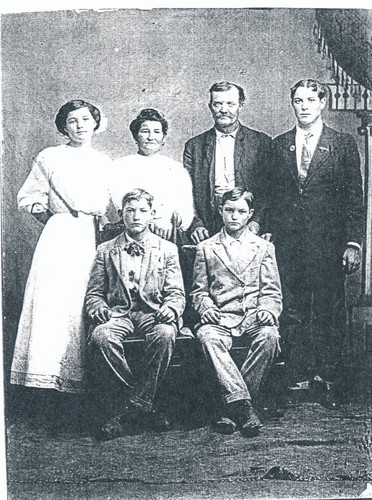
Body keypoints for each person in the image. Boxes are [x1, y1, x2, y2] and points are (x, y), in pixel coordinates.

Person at [268, 79, 364, 407]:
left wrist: (353, 243)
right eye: (298, 100)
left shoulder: (343, 143)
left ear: (323, 102)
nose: (304, 106)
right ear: (292, 104)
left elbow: (355, 197)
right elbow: (273, 196)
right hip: (289, 245)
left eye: (311, 99)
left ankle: (328, 380)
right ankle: (296, 378)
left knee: (328, 311)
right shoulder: (280, 145)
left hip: (329, 245)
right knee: (292, 312)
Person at [10, 99, 111, 397]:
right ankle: (50, 383)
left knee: (87, 299)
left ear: (95, 123)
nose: (80, 126)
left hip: (94, 234)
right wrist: (58, 221)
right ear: (63, 127)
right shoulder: (50, 157)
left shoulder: (104, 161)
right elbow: (29, 197)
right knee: (56, 303)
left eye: (85, 120)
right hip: (62, 234)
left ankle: (88, 383)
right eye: (72, 121)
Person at [85, 188, 185, 440]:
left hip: (154, 313)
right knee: (101, 337)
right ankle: (143, 405)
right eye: (130, 211)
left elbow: (176, 293)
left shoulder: (168, 249)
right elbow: (94, 294)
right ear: (121, 215)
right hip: (118, 314)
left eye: (142, 211)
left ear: (152, 215)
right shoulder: (106, 250)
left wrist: (170, 308)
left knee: (164, 334)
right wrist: (99, 308)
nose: (136, 216)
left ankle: (127, 411)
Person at [191, 188, 282, 436]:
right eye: (229, 210)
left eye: (241, 211)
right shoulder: (207, 248)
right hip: (221, 316)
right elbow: (198, 292)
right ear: (221, 211)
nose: (234, 216)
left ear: (250, 214)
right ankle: (245, 408)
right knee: (207, 337)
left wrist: (267, 310)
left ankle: (231, 407)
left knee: (269, 336)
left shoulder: (263, 247)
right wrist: (207, 307)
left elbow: (272, 292)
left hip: (253, 315)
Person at [183, 81, 272, 244]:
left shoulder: (261, 142)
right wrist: (196, 224)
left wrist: (256, 222)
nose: (224, 110)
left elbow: (269, 190)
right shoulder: (194, 146)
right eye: (218, 104)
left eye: (230, 103)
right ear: (210, 106)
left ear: (241, 105)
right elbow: (185, 192)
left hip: (248, 223)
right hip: (208, 225)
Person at [110, 108, 194, 240]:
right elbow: (119, 204)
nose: (150, 137)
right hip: (129, 232)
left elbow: (185, 210)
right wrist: (147, 222)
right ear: (135, 136)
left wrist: (166, 222)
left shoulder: (176, 169)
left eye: (156, 132)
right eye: (145, 131)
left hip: (167, 234)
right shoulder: (119, 166)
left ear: (163, 137)